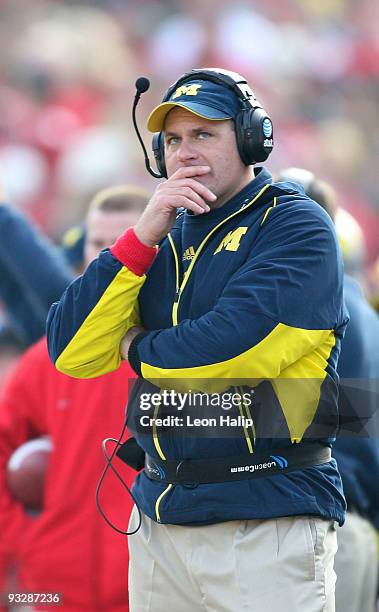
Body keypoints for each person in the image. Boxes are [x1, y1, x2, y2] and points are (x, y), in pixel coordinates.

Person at [47, 68, 348, 611]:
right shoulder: (160, 232)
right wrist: (139, 237)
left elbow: (229, 352)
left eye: (204, 133)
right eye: (174, 140)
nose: (185, 151)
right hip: (161, 524)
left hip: (267, 520)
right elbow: (71, 351)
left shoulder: (296, 224)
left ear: (253, 138)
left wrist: (135, 348)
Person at [0, 184, 150, 612]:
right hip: (50, 592)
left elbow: (333, 412)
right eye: (97, 244)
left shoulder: (185, 351)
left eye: (121, 243)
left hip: (149, 590)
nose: (106, 258)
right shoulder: (45, 358)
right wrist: (25, 542)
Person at [277, 167, 379, 612]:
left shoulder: (338, 312)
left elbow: (346, 423)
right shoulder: (358, 311)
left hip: (326, 528)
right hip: (345, 523)